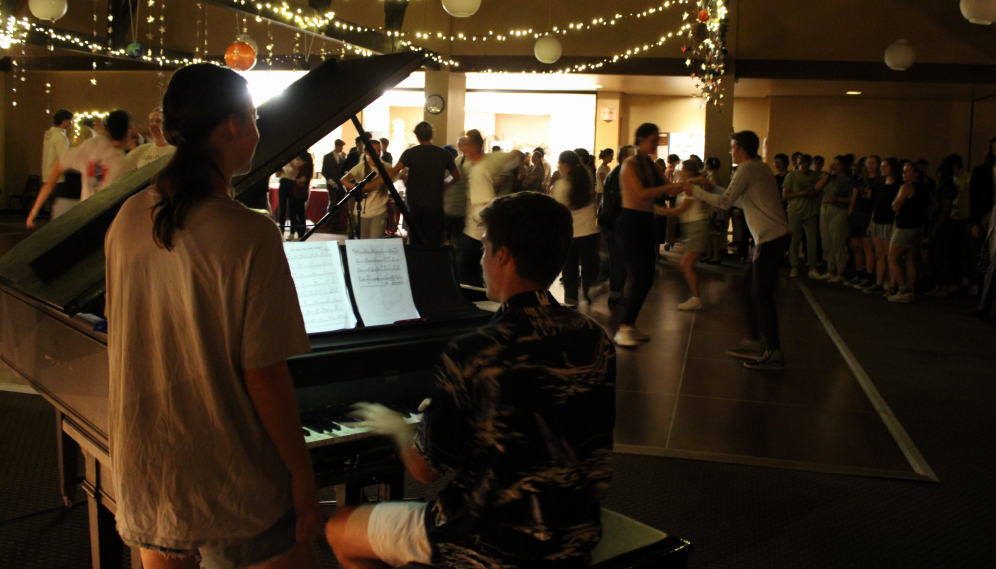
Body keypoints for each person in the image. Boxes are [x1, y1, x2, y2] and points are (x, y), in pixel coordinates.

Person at [325, 191, 616, 569]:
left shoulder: (473, 350)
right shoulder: (594, 337)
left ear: (503, 256)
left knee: (339, 527)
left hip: (488, 539)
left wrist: (398, 427)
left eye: (484, 248)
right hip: (575, 529)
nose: (480, 259)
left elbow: (424, 471)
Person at [104, 63, 320, 569]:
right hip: (229, 472)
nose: (258, 130)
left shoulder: (127, 218)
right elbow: (264, 376)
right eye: (254, 117)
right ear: (231, 125)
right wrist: (302, 476)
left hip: (149, 468)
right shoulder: (250, 235)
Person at [684, 130, 792, 370]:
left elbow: (725, 203)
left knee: (760, 294)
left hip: (771, 238)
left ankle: (773, 350)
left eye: (733, 146)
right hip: (773, 238)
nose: (731, 150)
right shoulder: (758, 167)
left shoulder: (747, 169)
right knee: (746, 288)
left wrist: (697, 192)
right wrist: (712, 187)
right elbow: (739, 201)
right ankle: (756, 342)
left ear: (741, 149)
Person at [614, 124, 687, 347]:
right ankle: (625, 326)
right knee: (642, 276)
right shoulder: (630, 164)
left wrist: (689, 183)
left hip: (644, 221)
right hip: (631, 222)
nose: (656, 144)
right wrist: (670, 188)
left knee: (646, 276)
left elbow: (670, 189)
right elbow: (641, 193)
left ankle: (629, 325)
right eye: (653, 140)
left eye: (657, 140)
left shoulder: (649, 165)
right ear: (641, 139)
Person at [28, 109, 131, 228]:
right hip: (106, 224)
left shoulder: (93, 145)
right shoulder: (123, 164)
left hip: (84, 218)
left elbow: (58, 166)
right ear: (127, 132)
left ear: (107, 129)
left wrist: (34, 212)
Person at [457, 129, 520, 286]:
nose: (462, 148)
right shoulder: (475, 164)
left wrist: (503, 179)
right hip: (479, 223)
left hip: (478, 225)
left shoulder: (483, 167)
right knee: (474, 268)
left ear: (473, 146)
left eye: (465, 144)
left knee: (469, 270)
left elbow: (486, 202)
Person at [387, 121, 461, 246]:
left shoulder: (410, 153)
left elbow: (394, 171)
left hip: (415, 205)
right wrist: (444, 183)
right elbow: (457, 177)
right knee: (435, 242)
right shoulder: (444, 154)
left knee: (416, 242)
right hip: (435, 205)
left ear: (416, 136)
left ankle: (418, 264)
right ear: (432, 135)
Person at [655, 160, 709, 310]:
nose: (680, 172)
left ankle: (696, 298)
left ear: (690, 172)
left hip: (696, 227)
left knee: (687, 265)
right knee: (684, 265)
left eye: (683, 170)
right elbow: (671, 191)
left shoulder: (692, 187)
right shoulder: (688, 184)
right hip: (691, 227)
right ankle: (695, 295)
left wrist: (658, 210)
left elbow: (679, 210)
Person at [552, 150, 599, 306]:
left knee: (569, 269)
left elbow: (558, 209)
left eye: (559, 163)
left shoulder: (563, 184)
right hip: (589, 230)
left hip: (570, 232)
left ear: (565, 164)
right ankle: (588, 292)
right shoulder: (587, 174)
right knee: (588, 266)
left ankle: (571, 300)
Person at [887, 161, 937, 303]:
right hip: (918, 227)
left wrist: (898, 198)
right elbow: (935, 205)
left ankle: (903, 290)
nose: (904, 174)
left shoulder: (906, 187)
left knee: (892, 259)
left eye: (908, 171)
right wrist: (923, 214)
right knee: (910, 259)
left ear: (915, 173)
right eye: (903, 171)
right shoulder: (924, 188)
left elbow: (895, 206)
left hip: (905, 228)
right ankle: (911, 289)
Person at [595, 145, 635, 306]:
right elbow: (621, 200)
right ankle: (614, 292)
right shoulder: (620, 175)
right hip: (614, 223)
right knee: (618, 259)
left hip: (611, 221)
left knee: (616, 258)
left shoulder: (617, 173)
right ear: (626, 158)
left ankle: (614, 291)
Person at [864, 158, 903, 295]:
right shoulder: (882, 184)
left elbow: (898, 208)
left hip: (888, 222)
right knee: (879, 254)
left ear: (892, 168)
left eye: (885, 166)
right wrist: (871, 223)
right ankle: (879, 282)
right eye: (882, 166)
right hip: (877, 222)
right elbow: (876, 205)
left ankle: (893, 285)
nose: (882, 169)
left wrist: (894, 226)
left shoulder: (898, 185)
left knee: (889, 255)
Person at [814, 155, 855, 283]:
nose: (835, 166)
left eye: (838, 164)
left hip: (838, 210)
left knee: (837, 242)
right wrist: (828, 174)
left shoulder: (848, 180)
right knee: (827, 243)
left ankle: (840, 272)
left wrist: (838, 199)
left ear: (843, 166)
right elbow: (817, 188)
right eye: (833, 164)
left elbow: (852, 198)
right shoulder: (828, 178)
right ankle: (830, 270)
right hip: (824, 209)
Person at [342, 139, 392, 239]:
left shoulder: (387, 167)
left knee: (375, 241)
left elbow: (399, 176)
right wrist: (355, 187)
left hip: (379, 210)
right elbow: (344, 179)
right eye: (374, 150)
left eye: (379, 150)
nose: (377, 153)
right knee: (363, 242)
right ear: (367, 152)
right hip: (362, 213)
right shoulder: (360, 168)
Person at [782, 154, 821, 278]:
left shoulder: (814, 175)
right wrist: (802, 193)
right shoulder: (791, 176)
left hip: (810, 212)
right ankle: (794, 265)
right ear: (799, 164)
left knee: (812, 240)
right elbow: (785, 195)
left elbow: (818, 191)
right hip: (795, 212)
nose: (805, 169)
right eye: (803, 166)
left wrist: (813, 193)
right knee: (794, 240)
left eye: (808, 166)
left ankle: (812, 267)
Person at [967, 138, 996, 296]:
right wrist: (975, 223)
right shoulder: (981, 171)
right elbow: (974, 199)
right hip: (985, 218)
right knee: (983, 256)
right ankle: (980, 293)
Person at [926, 163, 959, 297]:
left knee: (941, 257)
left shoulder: (946, 189)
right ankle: (938, 285)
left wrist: (936, 227)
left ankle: (944, 287)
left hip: (943, 226)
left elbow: (945, 209)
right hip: (939, 224)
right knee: (934, 256)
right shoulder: (941, 188)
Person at [845, 159, 877, 289]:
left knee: (867, 247)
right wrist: (850, 215)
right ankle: (859, 274)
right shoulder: (859, 181)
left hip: (868, 216)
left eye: (873, 163)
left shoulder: (878, 182)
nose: (870, 165)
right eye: (868, 163)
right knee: (857, 247)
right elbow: (853, 199)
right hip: (856, 215)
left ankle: (869, 276)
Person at [41, 109, 74, 219]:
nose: (71, 123)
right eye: (70, 120)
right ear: (64, 121)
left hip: (47, 176)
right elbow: (64, 158)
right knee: (59, 211)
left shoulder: (49, 135)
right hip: (58, 178)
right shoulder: (60, 136)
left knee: (53, 208)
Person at [702, 156, 729, 264]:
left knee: (714, 233)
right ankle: (709, 254)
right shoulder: (711, 174)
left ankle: (716, 255)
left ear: (708, 165)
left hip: (714, 207)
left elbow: (711, 189)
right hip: (711, 206)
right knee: (710, 233)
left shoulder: (712, 175)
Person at [443, 138, 469, 243]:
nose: (459, 146)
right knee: (457, 235)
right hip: (462, 206)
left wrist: (446, 183)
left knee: (447, 235)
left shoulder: (454, 166)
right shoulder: (461, 162)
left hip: (450, 206)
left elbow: (450, 179)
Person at [321, 138, 347, 205]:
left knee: (340, 201)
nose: (342, 148)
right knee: (333, 202)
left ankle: (337, 215)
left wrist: (344, 159)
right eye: (340, 146)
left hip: (340, 183)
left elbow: (342, 169)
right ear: (336, 146)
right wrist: (330, 180)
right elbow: (324, 171)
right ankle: (331, 215)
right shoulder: (327, 157)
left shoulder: (341, 157)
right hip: (331, 183)